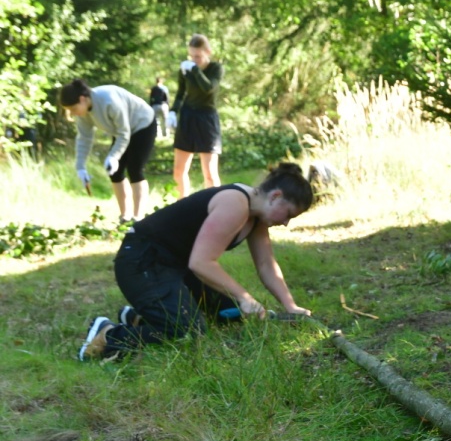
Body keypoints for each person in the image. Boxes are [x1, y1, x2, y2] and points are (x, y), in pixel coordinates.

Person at [77, 162, 319, 362]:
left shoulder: (257, 218)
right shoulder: (235, 203)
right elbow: (201, 263)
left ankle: (140, 318)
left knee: (229, 315)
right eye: (288, 215)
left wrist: (291, 306)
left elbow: (267, 265)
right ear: (275, 196)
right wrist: (245, 297)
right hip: (142, 262)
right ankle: (109, 334)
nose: (286, 223)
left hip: (172, 267)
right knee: (189, 332)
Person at [59, 79, 157, 223]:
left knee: (135, 169)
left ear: (82, 99)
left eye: (73, 109)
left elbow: (124, 134)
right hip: (120, 132)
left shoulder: (108, 101)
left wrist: (113, 156)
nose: (73, 114)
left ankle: (138, 218)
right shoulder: (83, 113)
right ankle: (125, 216)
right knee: (115, 172)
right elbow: (84, 139)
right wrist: (80, 167)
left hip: (143, 124)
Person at [168, 33, 224, 198]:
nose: (194, 59)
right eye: (191, 56)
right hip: (187, 117)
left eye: (198, 56)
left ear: (208, 52)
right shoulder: (185, 69)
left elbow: (208, 88)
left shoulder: (216, 69)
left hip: (207, 119)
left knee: (209, 173)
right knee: (178, 171)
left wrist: (195, 70)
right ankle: (182, 207)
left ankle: (214, 207)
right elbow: (180, 93)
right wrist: (172, 111)